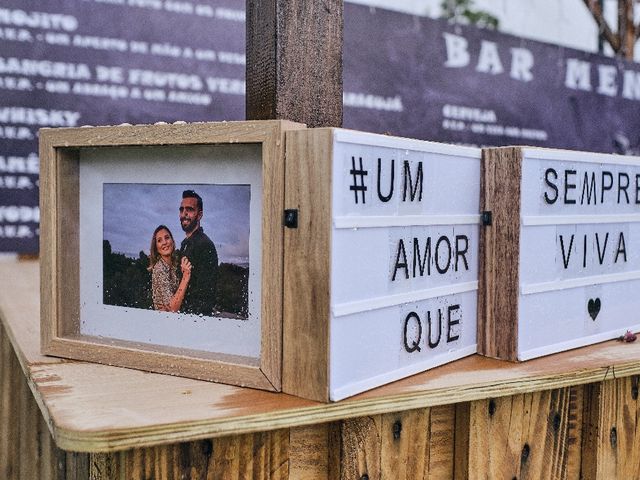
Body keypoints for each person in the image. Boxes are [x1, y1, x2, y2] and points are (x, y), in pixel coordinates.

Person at [178, 190, 219, 316]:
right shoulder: (185, 243)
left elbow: (205, 296)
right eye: (181, 209)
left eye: (189, 209)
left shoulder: (205, 245)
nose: (183, 214)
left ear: (199, 215)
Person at [148, 225, 192, 312]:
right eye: (159, 240)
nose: (164, 242)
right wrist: (185, 277)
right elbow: (172, 308)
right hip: (165, 320)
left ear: (172, 240)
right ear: (156, 247)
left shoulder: (175, 264)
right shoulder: (159, 268)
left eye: (167, 238)